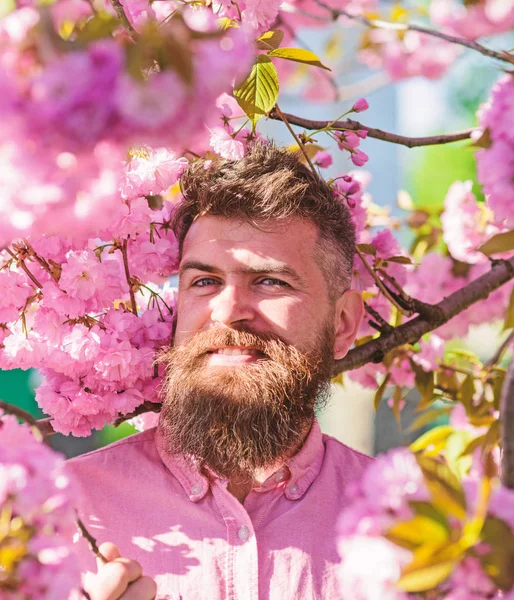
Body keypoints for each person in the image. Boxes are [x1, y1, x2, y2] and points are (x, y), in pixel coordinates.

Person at [68, 142, 373, 600]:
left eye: (271, 281)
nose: (227, 311)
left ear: (343, 323)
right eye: (204, 282)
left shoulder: (414, 523)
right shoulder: (56, 512)